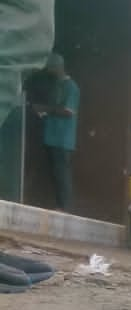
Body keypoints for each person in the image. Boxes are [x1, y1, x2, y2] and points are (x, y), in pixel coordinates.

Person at [34, 54, 78, 212]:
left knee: (61, 173)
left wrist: (44, 109)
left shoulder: (71, 87)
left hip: (63, 139)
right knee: (55, 172)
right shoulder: (55, 86)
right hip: (51, 136)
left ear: (59, 67)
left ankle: (64, 207)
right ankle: (59, 205)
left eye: (51, 68)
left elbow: (68, 111)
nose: (50, 72)